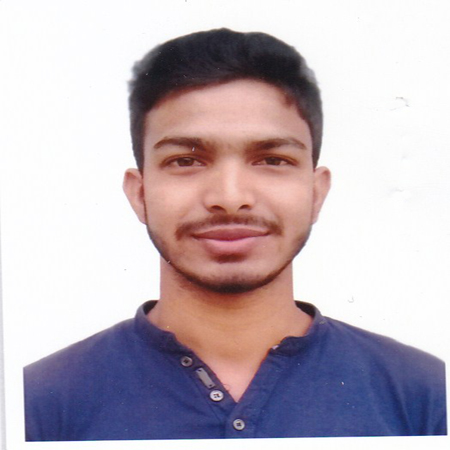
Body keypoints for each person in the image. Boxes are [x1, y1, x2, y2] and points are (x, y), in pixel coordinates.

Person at [24, 28, 446, 440]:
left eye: (272, 160)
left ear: (316, 193)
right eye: (186, 161)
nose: (230, 198)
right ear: (140, 193)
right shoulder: (36, 404)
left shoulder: (424, 397)